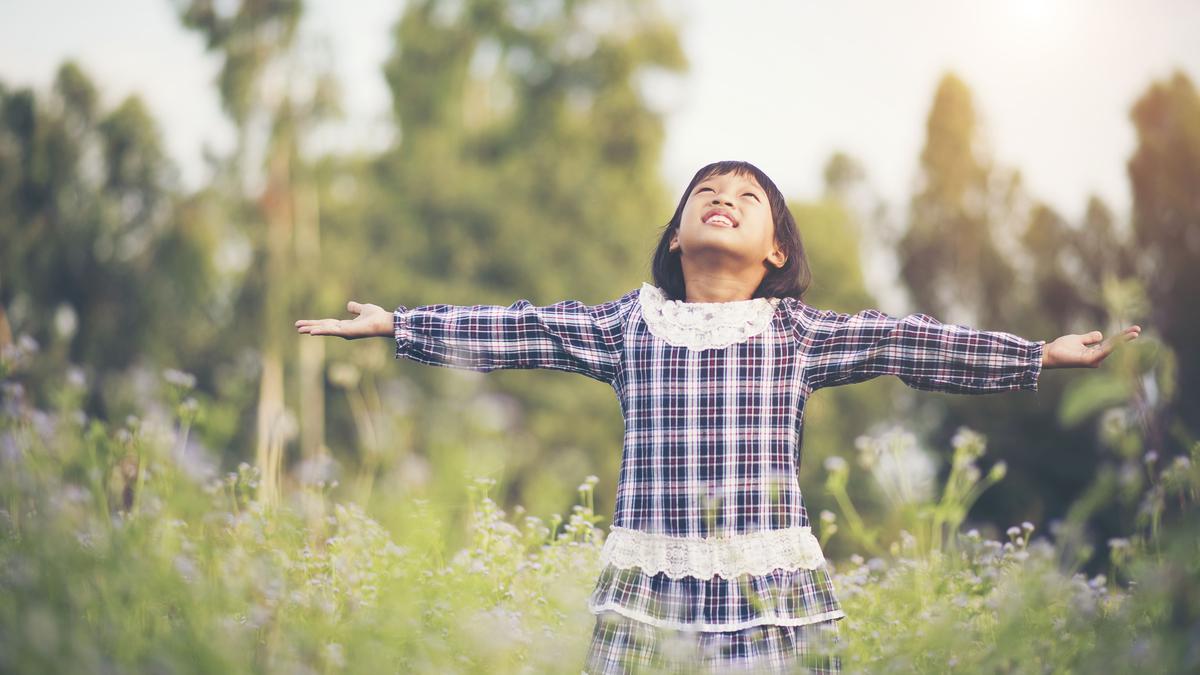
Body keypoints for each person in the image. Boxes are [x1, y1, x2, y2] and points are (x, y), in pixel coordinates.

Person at [296, 160, 1141, 674]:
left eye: (745, 195)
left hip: (763, 591)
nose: (723, 198)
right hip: (647, 593)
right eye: (706, 192)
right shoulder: (628, 324)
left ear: (777, 249)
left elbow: (907, 342)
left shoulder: (796, 332)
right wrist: (399, 324)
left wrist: (1037, 353)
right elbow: (520, 328)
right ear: (674, 237)